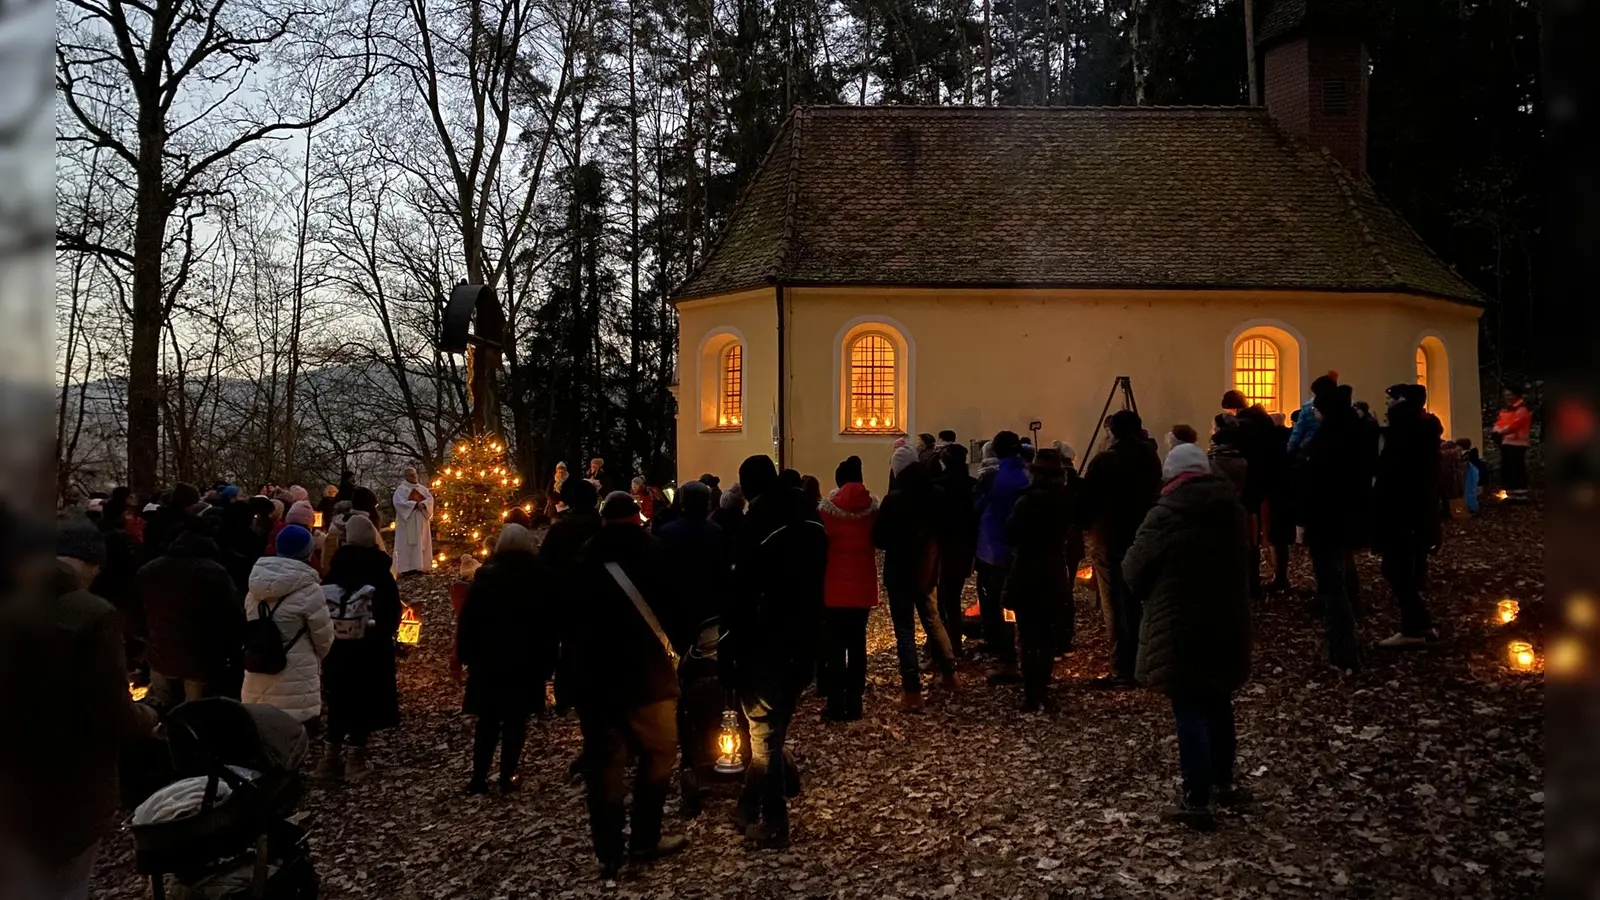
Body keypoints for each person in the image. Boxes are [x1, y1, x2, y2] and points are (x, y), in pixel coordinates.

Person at [0, 520, 159, 900]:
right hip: (65, 782)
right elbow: (111, 712)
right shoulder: (91, 615)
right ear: (90, 562)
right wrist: (149, 717)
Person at [1123, 443, 1252, 830]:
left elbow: (1133, 568)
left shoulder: (1166, 514)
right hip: (1226, 618)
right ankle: (1223, 781)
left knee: (1189, 706)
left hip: (1179, 622)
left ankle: (1196, 799)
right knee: (1218, 699)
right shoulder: (1232, 510)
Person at [570, 493, 687, 877]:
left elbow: (565, 615)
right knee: (659, 754)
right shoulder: (656, 553)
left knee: (605, 766)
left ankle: (608, 852)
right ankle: (644, 837)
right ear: (638, 518)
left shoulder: (584, 558)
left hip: (594, 678)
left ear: (604, 520)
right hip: (646, 676)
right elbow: (676, 607)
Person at [724, 455, 827, 849]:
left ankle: (773, 819)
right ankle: (750, 805)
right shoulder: (812, 519)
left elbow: (743, 593)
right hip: (806, 637)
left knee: (765, 732)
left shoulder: (759, 525)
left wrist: (732, 646)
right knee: (773, 727)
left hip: (766, 640)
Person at [457, 524, 552, 795]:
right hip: (525, 662)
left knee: (487, 721)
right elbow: (548, 625)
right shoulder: (539, 579)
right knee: (515, 721)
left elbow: (468, 620)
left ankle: (478, 777)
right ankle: (507, 775)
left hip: (488, 661)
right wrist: (547, 663)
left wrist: (466, 654)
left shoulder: (485, 578)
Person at [1080, 410, 1162, 688]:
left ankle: (1122, 670)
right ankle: (1143, 662)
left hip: (1111, 536)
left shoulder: (1105, 461)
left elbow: (1087, 501)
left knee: (1115, 603)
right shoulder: (1149, 456)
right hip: (1143, 533)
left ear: (1112, 434)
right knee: (1140, 599)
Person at [317, 515, 402, 782]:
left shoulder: (334, 570)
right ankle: (355, 760)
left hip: (335, 648)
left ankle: (329, 759)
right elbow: (391, 612)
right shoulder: (378, 570)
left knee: (338, 699)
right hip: (369, 648)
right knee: (363, 700)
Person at [873, 461, 958, 710]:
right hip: (926, 568)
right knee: (933, 620)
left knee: (905, 631)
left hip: (899, 569)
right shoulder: (938, 496)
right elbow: (947, 530)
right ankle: (950, 674)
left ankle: (912, 691)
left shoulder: (894, 500)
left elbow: (879, 538)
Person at [1298, 385, 1371, 672]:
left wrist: (1303, 519)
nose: (1314, 413)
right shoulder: (1356, 434)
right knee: (1341, 577)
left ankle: (1342, 649)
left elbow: (1315, 485)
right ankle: (1348, 637)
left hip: (1327, 520)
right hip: (1348, 518)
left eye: (1317, 409)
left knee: (1331, 586)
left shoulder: (1328, 442)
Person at [1001, 448, 1080, 712]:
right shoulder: (1064, 502)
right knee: (1046, 635)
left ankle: (1032, 692)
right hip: (1053, 570)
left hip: (1027, 569)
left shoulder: (1026, 502)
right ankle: (1043, 689)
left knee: (1027, 634)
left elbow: (1010, 533)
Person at [136, 522, 243, 708]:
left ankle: (159, 734)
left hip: (160, 652)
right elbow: (232, 616)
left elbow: (136, 613)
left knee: (159, 705)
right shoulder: (214, 573)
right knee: (194, 712)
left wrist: (148, 638)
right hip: (201, 657)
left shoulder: (149, 570)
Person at [241, 525, 335, 723]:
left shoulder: (254, 589)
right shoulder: (310, 590)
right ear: (308, 552)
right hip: (297, 678)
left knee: (265, 737)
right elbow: (324, 638)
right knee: (295, 740)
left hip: (258, 671)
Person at [1374, 384, 1444, 648]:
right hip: (1415, 514)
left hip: (1402, 515)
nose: (1388, 406)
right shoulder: (1422, 438)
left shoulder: (1404, 441)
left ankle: (1416, 626)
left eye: (1391, 401)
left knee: (1395, 568)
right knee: (1402, 568)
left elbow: (1395, 479)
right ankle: (1418, 624)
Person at [818, 456, 878, 722]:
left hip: (834, 587)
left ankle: (835, 703)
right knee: (857, 645)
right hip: (862, 586)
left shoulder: (827, 512)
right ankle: (855, 704)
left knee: (834, 646)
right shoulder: (873, 510)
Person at [540, 476, 602, 715]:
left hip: (566, 597)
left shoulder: (560, 529)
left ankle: (566, 698)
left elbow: (545, 563)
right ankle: (593, 693)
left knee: (569, 649)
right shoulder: (601, 526)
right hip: (599, 596)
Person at [974, 431, 1028, 683]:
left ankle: (1008, 657)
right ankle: (1022, 652)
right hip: (1019, 547)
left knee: (1001, 602)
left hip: (994, 547)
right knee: (1019, 601)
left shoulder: (993, 477)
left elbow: (980, 505)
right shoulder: (1026, 472)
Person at [931, 443, 978, 658]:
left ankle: (946, 643)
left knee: (943, 597)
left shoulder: (939, 485)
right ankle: (954, 641)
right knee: (953, 595)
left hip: (944, 545)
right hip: (965, 546)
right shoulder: (971, 485)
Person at [1286, 371, 1341, 455]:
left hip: (1310, 448)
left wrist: (1290, 449)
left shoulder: (1308, 407)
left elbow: (1298, 431)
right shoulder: (1341, 405)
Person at [1492, 386, 1534, 497]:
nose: (1507, 397)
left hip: (1518, 443)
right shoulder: (1507, 409)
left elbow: (1515, 425)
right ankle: (1511, 492)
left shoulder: (1522, 410)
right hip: (1506, 442)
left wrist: (1500, 432)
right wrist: (1496, 431)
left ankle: (1520, 492)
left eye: (1510, 395)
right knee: (1509, 469)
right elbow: (1499, 423)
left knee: (1517, 468)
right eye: (1506, 395)